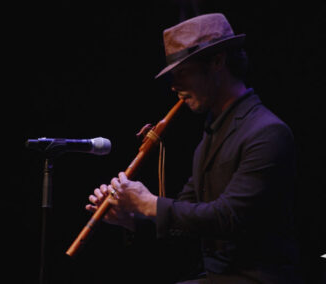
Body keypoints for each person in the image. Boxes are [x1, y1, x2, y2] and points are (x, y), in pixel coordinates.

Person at [86, 13, 302, 283]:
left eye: (182, 73)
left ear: (217, 62)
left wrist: (149, 203)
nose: (175, 86)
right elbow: (187, 220)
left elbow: (228, 217)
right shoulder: (211, 135)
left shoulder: (267, 132)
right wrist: (130, 216)